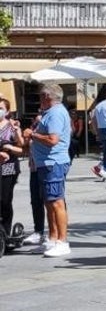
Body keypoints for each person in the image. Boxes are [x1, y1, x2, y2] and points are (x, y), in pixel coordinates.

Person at [26, 84, 73, 258]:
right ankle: (53, 238)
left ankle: (62, 241)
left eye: (40, 96)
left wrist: (32, 134)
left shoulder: (55, 113)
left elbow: (53, 140)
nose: (39, 99)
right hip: (44, 163)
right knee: (48, 201)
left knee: (56, 202)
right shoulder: (49, 113)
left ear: (48, 96)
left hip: (53, 163)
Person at [0, 98, 26, 243]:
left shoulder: (12, 126)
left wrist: (10, 146)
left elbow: (21, 148)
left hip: (8, 167)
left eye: (1, 108)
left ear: (7, 111)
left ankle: (5, 231)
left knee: (4, 200)